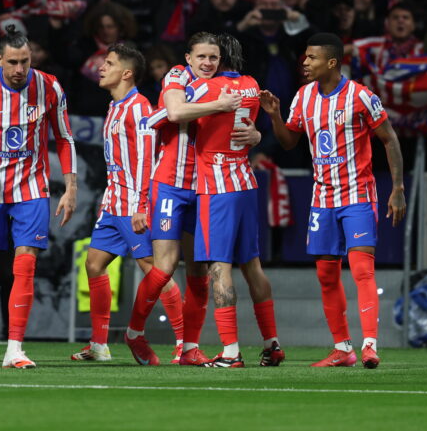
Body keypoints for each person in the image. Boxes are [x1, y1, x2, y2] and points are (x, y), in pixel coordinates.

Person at [260, 33, 406, 369]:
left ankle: (369, 345)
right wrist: (275, 115)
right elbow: (287, 143)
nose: (305, 63)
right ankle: (343, 349)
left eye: (311, 58)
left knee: (361, 270)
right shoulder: (303, 97)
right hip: (322, 198)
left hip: (357, 195)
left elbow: (390, 139)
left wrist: (397, 188)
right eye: (305, 57)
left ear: (332, 62)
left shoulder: (360, 96)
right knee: (326, 275)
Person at [126, 32, 261, 367]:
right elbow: (172, 112)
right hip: (171, 184)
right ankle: (134, 333)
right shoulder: (177, 75)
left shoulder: (222, 85)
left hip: (206, 187)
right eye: (201, 57)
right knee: (165, 266)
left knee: (199, 272)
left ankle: (188, 347)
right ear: (188, 58)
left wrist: (256, 135)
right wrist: (220, 105)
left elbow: (241, 129)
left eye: (213, 58)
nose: (207, 63)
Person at [0, 25, 78, 369]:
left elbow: (64, 138)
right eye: (13, 62)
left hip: (32, 188)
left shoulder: (49, 86)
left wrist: (71, 185)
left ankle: (14, 348)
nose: (20, 69)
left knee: (25, 263)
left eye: (25, 61)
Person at [70, 44, 182, 366]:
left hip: (134, 203)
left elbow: (148, 160)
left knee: (154, 270)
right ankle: (99, 345)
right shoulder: (114, 106)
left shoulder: (138, 107)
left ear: (127, 72)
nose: (101, 68)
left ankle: (184, 344)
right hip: (113, 202)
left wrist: (143, 205)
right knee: (93, 264)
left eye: (109, 63)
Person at [188, 33, 284, 368]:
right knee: (252, 266)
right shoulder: (251, 85)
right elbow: (250, 128)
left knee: (219, 267)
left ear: (218, 58)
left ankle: (230, 351)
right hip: (245, 180)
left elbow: (173, 111)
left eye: (211, 57)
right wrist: (257, 135)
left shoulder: (205, 88)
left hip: (216, 187)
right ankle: (272, 344)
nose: (206, 63)